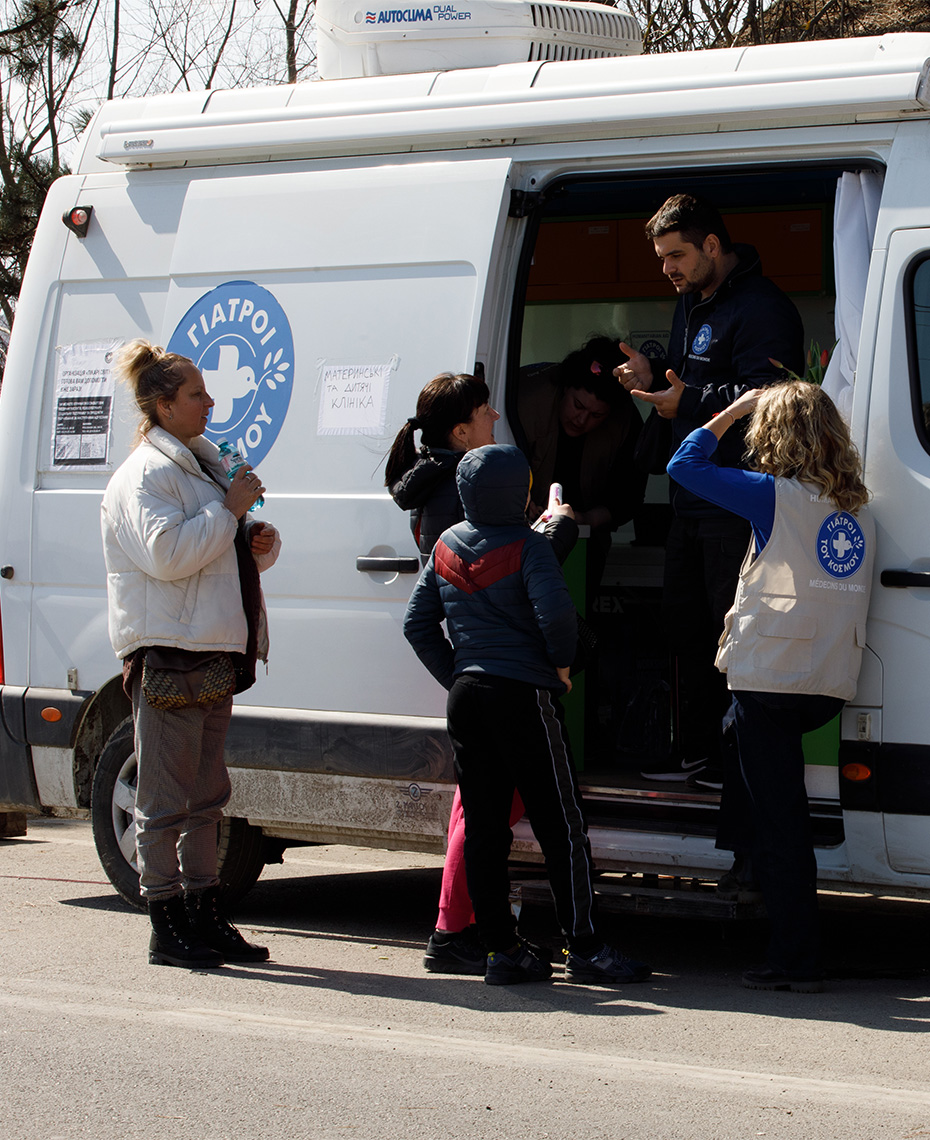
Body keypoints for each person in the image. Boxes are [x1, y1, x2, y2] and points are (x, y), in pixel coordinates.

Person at [403, 444, 651, 986]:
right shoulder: (529, 548)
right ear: (521, 493)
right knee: (561, 824)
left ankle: (500, 951)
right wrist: (560, 667)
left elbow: (417, 626)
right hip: (523, 697)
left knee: (485, 827)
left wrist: (461, 676)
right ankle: (584, 946)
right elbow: (557, 620)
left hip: (467, 696)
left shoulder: (446, 545)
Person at [667, 380, 873, 991]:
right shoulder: (856, 506)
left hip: (771, 681)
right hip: (828, 679)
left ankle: (795, 960)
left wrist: (731, 409)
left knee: (782, 828)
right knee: (784, 815)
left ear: (773, 434)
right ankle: (790, 938)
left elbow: (686, 465)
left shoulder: (772, 496)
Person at [387, 373, 578, 976]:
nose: (497, 412)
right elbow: (506, 569)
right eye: (483, 408)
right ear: (460, 430)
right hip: (508, 677)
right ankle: (457, 930)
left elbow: (428, 613)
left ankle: (491, 939)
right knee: (507, 819)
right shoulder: (468, 503)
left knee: (483, 817)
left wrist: (461, 675)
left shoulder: (452, 501)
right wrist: (553, 534)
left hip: (473, 678)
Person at [101, 340, 281, 968]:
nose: (210, 402)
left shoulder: (198, 465)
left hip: (208, 648)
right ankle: (166, 921)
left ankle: (204, 914)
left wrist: (253, 538)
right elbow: (167, 557)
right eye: (197, 394)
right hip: (171, 653)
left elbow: (210, 551)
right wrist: (227, 512)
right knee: (164, 798)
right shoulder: (146, 474)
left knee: (206, 794)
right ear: (162, 405)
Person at [615, 194, 804, 788]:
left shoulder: (762, 307)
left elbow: (772, 401)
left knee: (735, 635)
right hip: (690, 502)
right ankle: (696, 750)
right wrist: (653, 378)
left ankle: (732, 760)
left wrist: (690, 402)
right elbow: (688, 374)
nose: (666, 268)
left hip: (735, 505)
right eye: (662, 257)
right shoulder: (691, 302)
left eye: (676, 255)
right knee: (688, 632)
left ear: (712, 248)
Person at [519, 335, 645, 589]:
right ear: (565, 387)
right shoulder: (528, 402)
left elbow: (628, 496)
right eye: (578, 405)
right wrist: (521, 502)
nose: (581, 420)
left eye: (596, 415)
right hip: (522, 540)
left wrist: (587, 518)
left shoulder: (625, 423)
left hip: (587, 541)